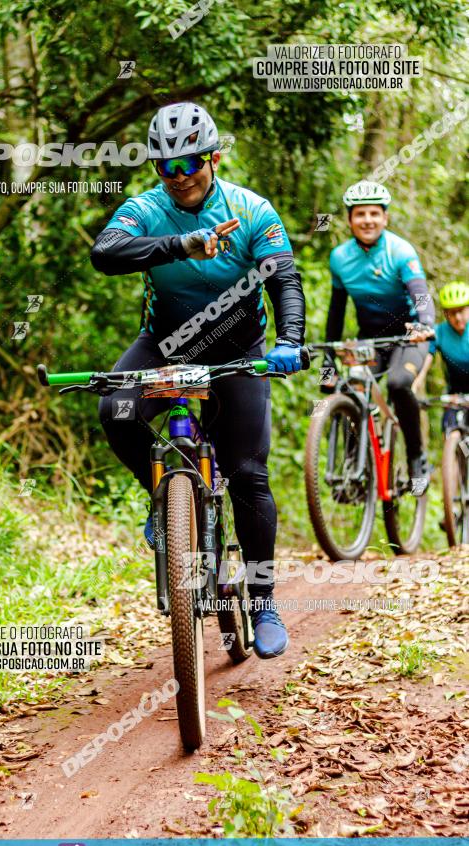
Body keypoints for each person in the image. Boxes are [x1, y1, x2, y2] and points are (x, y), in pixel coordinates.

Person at [90, 102, 306, 659]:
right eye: (166, 166)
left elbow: (284, 280)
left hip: (237, 351)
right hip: (164, 344)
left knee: (250, 477)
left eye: (189, 163)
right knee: (114, 408)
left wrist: (289, 341)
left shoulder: (252, 210)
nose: (180, 176)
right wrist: (182, 244)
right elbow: (106, 253)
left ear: (212, 157)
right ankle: (164, 504)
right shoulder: (146, 208)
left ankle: (263, 602)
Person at [325, 180, 435, 496]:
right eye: (360, 214)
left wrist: (425, 323)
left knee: (399, 384)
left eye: (375, 213)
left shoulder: (400, 251)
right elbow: (336, 311)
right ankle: (352, 469)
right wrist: (329, 359)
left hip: (409, 337)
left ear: (385, 218)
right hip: (370, 341)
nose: (368, 220)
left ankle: (417, 458)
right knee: (350, 387)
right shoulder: (339, 258)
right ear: (349, 220)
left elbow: (421, 296)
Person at [415, 282, 469, 433]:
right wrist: (417, 381)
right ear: (445, 314)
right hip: (454, 395)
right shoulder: (439, 332)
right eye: (452, 313)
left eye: (461, 311)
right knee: (450, 431)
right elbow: (427, 357)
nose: (458, 318)